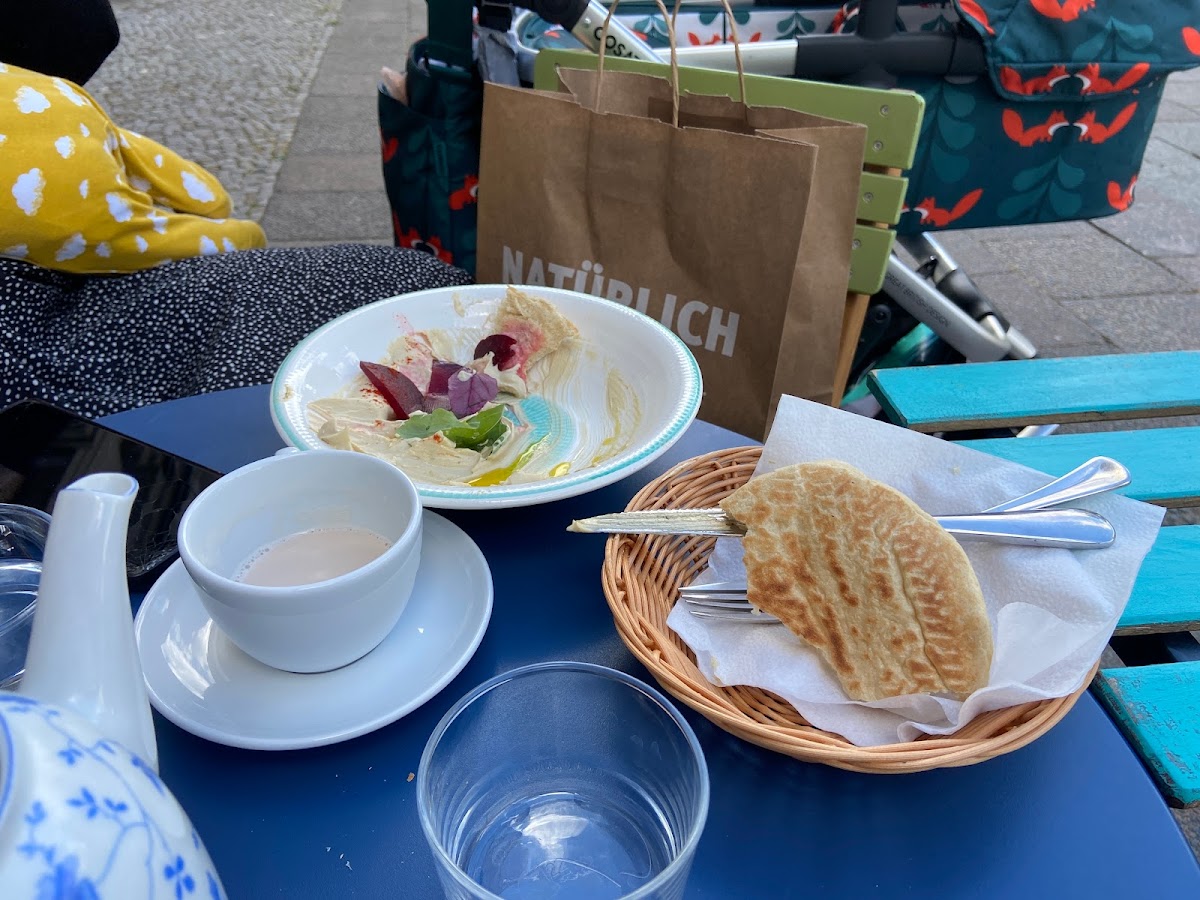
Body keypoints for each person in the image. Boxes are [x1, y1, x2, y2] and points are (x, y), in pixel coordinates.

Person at [0, 3, 471, 417]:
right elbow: (198, 202)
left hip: (69, 300)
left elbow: (85, 31)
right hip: (58, 344)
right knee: (412, 287)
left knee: (416, 283)